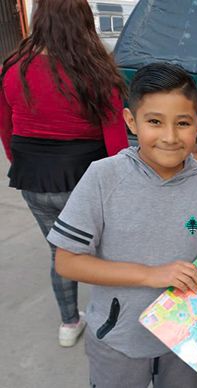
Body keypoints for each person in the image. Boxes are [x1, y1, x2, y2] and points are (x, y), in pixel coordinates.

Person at [48, 63, 197, 387]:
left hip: (187, 340)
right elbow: (66, 261)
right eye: (154, 122)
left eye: (183, 123)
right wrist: (151, 275)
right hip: (118, 339)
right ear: (131, 121)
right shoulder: (103, 177)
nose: (170, 137)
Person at [0, 0, 127, 347]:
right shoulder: (96, 71)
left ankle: (69, 324)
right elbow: (116, 144)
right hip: (86, 182)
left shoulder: (13, 68)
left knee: (61, 252)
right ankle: (115, 323)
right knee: (108, 253)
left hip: (33, 180)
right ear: (84, 21)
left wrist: (23, 166)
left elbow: (6, 129)